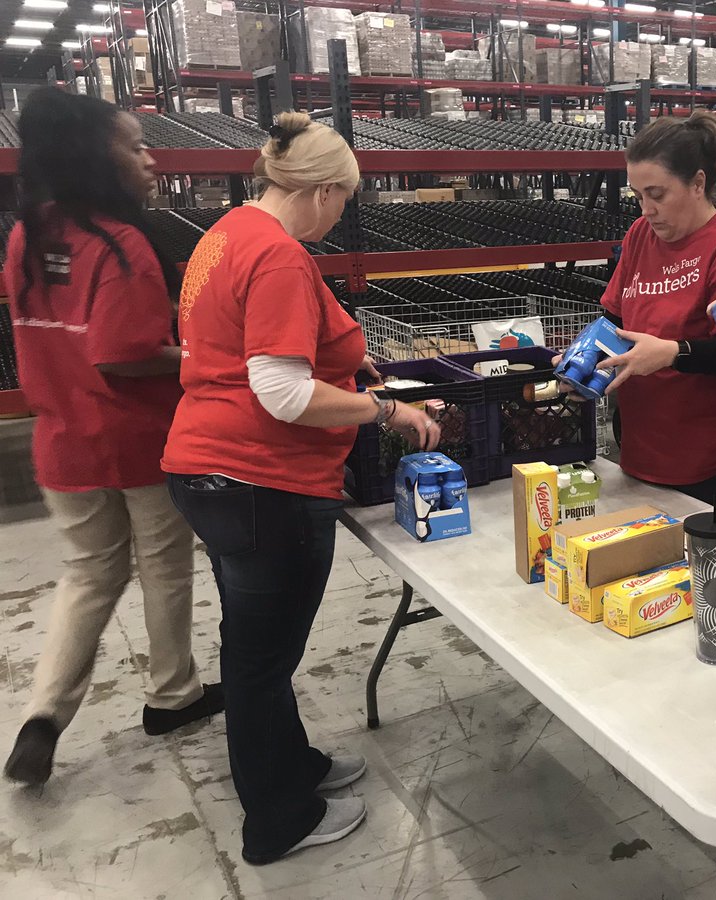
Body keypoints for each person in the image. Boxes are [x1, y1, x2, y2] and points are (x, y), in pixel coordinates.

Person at [160, 112, 440, 865]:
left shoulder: (226, 235)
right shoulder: (280, 256)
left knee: (257, 650)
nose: (342, 214)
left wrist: (352, 372)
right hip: (261, 482)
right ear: (318, 191)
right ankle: (277, 821)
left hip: (210, 472)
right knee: (260, 660)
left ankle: (293, 769)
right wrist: (383, 408)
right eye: (344, 199)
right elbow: (281, 392)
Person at [3, 90, 223, 787]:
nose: (150, 159)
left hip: (62, 443)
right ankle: (172, 695)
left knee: (89, 575)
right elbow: (122, 351)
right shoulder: (121, 245)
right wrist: (201, 359)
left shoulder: (29, 234)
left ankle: (43, 714)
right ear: (98, 160)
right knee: (164, 568)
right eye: (134, 147)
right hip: (135, 443)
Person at [590, 110, 716, 509]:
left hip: (704, 456)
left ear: (697, 184)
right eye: (637, 196)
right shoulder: (640, 235)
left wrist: (673, 353)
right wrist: (583, 360)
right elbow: (616, 319)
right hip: (640, 443)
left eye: (657, 194)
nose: (645, 209)